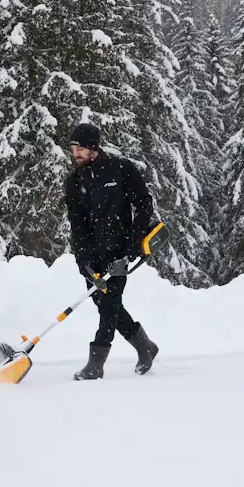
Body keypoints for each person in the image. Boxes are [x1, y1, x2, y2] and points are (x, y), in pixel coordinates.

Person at [64, 122, 160, 380]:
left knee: (108, 306)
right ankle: (145, 346)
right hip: (92, 254)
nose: (76, 155)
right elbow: (78, 223)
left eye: (80, 149)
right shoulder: (74, 182)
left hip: (119, 251)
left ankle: (96, 364)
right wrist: (83, 261)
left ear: (93, 148)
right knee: (106, 304)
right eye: (73, 149)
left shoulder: (121, 169)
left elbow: (143, 206)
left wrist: (130, 248)